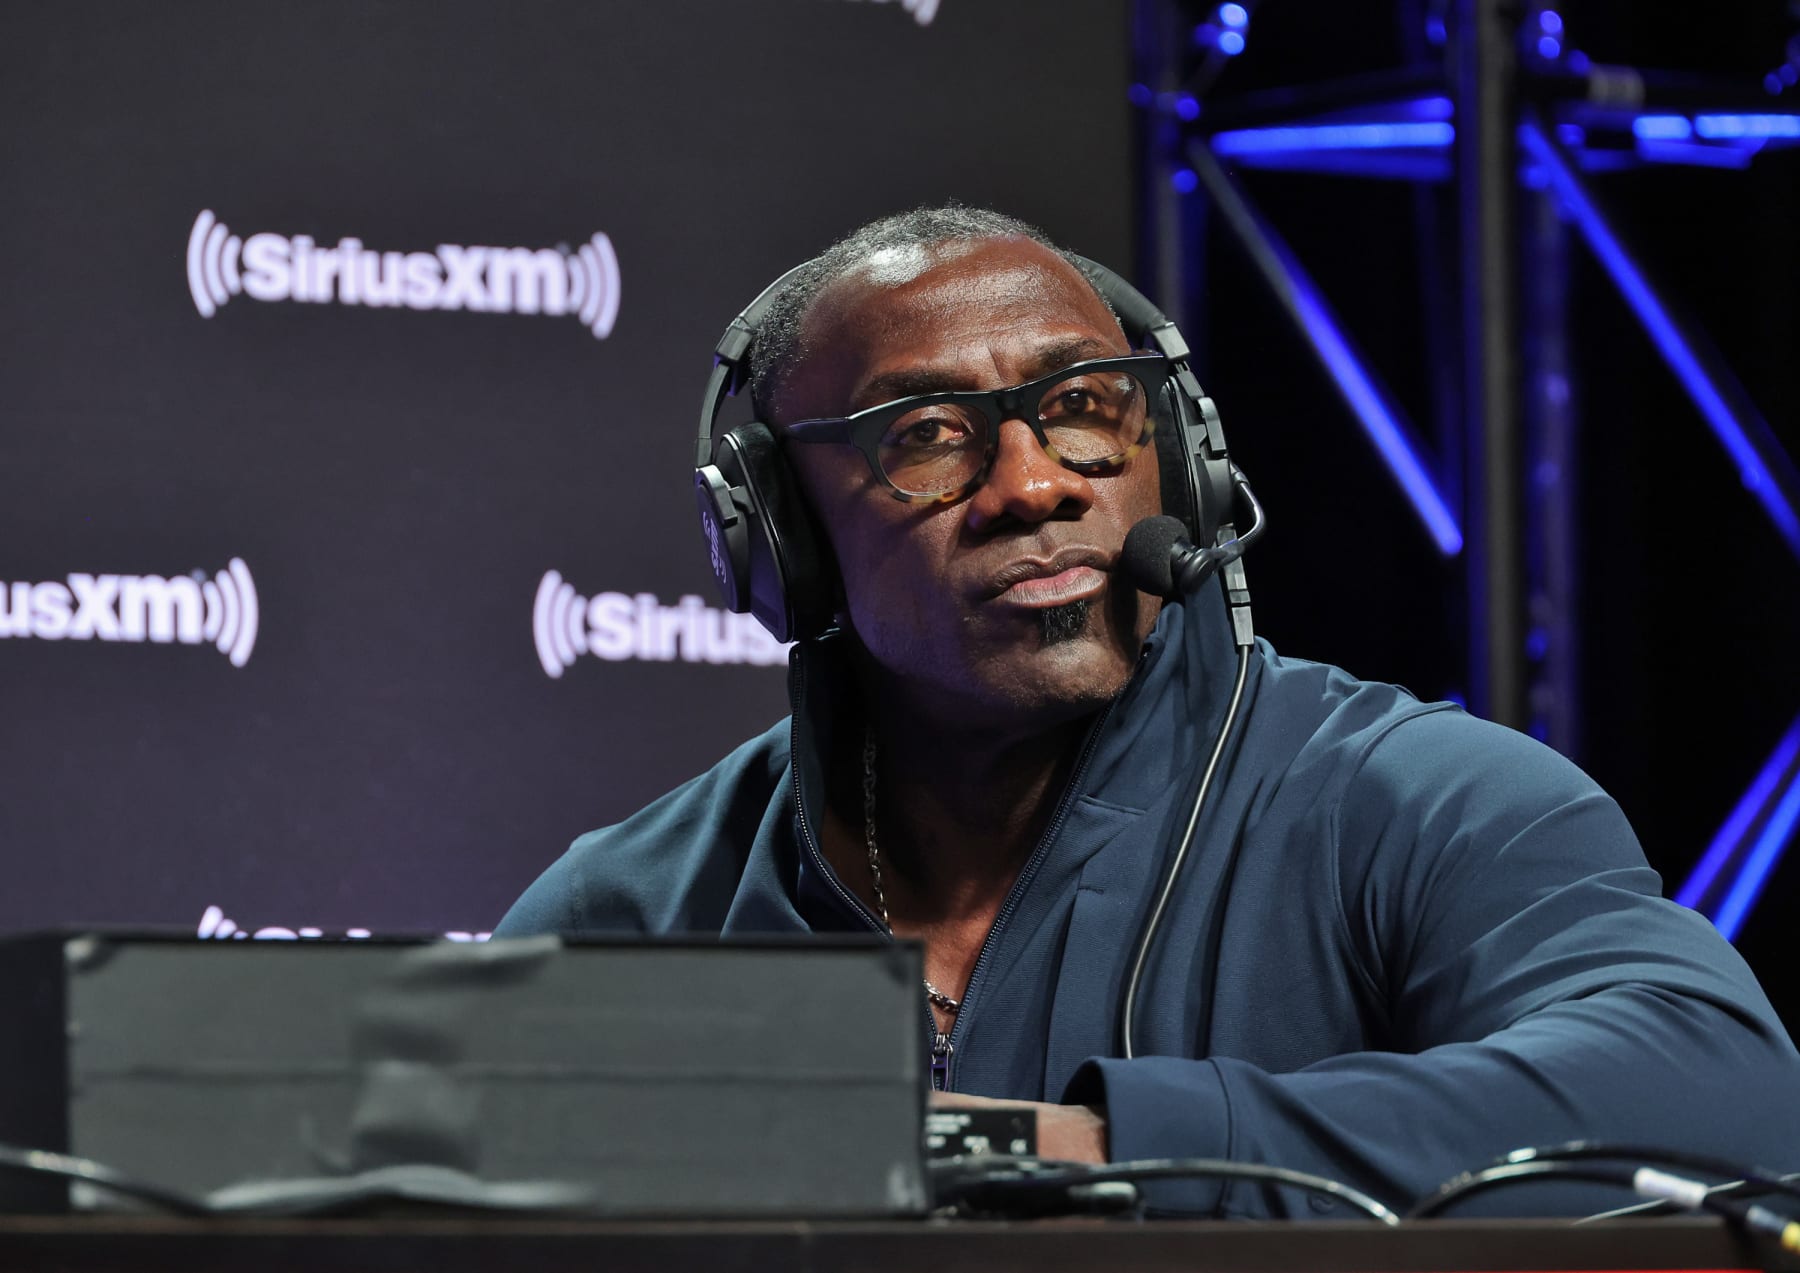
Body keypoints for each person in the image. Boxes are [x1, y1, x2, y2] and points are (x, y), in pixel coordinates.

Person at [498, 205, 1800, 1216]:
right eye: (931, 434)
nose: (1034, 484)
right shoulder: (634, 909)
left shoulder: (1420, 798)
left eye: (1081, 410)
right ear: (779, 536)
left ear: (1173, 460)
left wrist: (1114, 1152)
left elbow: (1725, 1090)